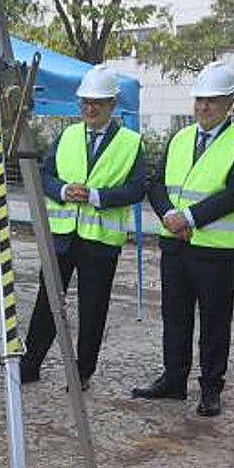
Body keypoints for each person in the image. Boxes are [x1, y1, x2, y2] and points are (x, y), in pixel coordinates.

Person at [20, 64, 146, 390]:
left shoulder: (132, 142)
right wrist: (63, 190)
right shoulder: (67, 135)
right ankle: (30, 363)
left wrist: (96, 196)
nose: (90, 108)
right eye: (86, 102)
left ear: (112, 105)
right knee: (47, 302)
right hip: (62, 238)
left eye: (98, 103)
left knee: (93, 309)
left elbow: (136, 188)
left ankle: (82, 372)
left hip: (100, 242)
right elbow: (44, 176)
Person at [133, 60, 234, 417]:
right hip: (176, 245)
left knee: (214, 322)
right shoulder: (180, 137)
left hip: (216, 251)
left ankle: (211, 389)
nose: (203, 107)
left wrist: (190, 217)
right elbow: (157, 183)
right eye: (199, 100)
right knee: (175, 317)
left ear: (231, 103)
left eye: (212, 100)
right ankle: (174, 380)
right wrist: (168, 215)